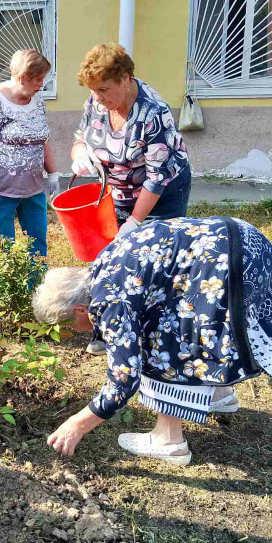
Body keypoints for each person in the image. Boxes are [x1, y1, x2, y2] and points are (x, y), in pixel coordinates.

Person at [32, 216, 272, 465]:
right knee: (177, 319)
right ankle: (219, 394)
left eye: (70, 326)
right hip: (249, 242)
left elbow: (125, 378)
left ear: (78, 310)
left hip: (227, 262)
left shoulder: (110, 302)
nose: (77, 331)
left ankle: (168, 440)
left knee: (161, 345)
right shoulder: (102, 265)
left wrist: (77, 424)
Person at [70, 43, 193, 356]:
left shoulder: (154, 113)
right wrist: (80, 153)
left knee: (156, 260)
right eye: (92, 90)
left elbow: (157, 177)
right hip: (116, 189)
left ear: (126, 79)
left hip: (162, 192)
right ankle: (107, 326)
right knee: (108, 257)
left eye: (104, 89)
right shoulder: (97, 102)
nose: (98, 97)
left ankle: (160, 332)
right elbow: (80, 137)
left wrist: (136, 220)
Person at [0, 49, 59, 259]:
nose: (41, 84)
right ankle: (5, 291)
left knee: (37, 244)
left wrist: (53, 174)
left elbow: (42, 139)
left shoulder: (37, 102)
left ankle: (36, 289)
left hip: (34, 191)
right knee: (3, 249)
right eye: (38, 79)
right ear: (22, 77)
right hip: (1, 192)